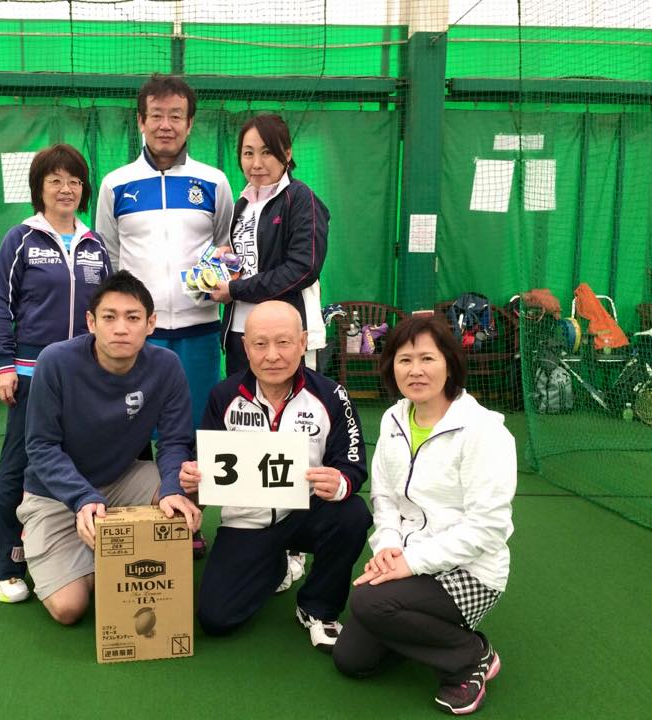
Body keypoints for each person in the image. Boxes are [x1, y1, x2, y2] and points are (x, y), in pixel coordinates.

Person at [332, 315, 516, 716]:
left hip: (471, 571)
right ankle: (418, 630)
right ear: (391, 367)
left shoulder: (484, 431)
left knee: (369, 603)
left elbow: (488, 528)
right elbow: (384, 498)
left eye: (427, 358)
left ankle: (471, 656)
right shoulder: (393, 419)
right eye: (404, 360)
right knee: (352, 660)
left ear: (450, 363)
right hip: (410, 558)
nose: (415, 370)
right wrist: (388, 548)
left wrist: (410, 563)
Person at [179, 301, 372, 653]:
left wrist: (340, 481)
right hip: (247, 522)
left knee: (352, 514)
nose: (272, 355)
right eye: (260, 344)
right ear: (245, 346)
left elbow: (353, 464)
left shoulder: (331, 396)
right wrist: (194, 474)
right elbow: (204, 462)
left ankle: (317, 607)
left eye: (283, 342)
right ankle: (275, 564)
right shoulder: (224, 396)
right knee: (216, 619)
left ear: (303, 342)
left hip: (306, 514)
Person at [96, 73, 234, 559]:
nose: (166, 125)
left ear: (190, 123)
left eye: (176, 116)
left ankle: (188, 522)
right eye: (156, 115)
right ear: (141, 121)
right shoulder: (115, 184)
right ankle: (134, 521)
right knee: (130, 431)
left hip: (198, 333)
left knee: (191, 432)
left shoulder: (214, 182)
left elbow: (223, 246)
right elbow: (110, 258)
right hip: (138, 339)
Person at [16, 270, 201, 625]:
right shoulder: (55, 361)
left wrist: (172, 489)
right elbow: (41, 447)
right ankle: (58, 542)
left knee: (191, 487)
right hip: (55, 494)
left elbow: (174, 441)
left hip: (120, 480)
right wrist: (82, 498)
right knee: (69, 608)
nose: (121, 329)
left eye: (132, 318)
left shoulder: (166, 366)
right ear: (91, 322)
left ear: (150, 324)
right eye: (109, 317)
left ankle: (121, 547)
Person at [0, 144, 111, 604]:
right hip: (31, 373)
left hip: (83, 375)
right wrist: (5, 365)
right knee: (20, 463)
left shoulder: (96, 245)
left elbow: (107, 311)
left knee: (76, 460)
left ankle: (70, 550)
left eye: (74, 181)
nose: (65, 189)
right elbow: (1, 305)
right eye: (55, 180)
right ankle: (2, 563)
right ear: (39, 188)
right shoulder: (20, 239)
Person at [210, 114, 328, 376]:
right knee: (243, 402)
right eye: (248, 153)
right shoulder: (242, 204)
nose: (256, 163)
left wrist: (236, 289)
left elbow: (304, 268)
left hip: (286, 337)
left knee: (291, 403)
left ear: (287, 153)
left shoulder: (300, 198)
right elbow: (255, 262)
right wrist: (229, 259)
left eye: (267, 152)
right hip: (242, 335)